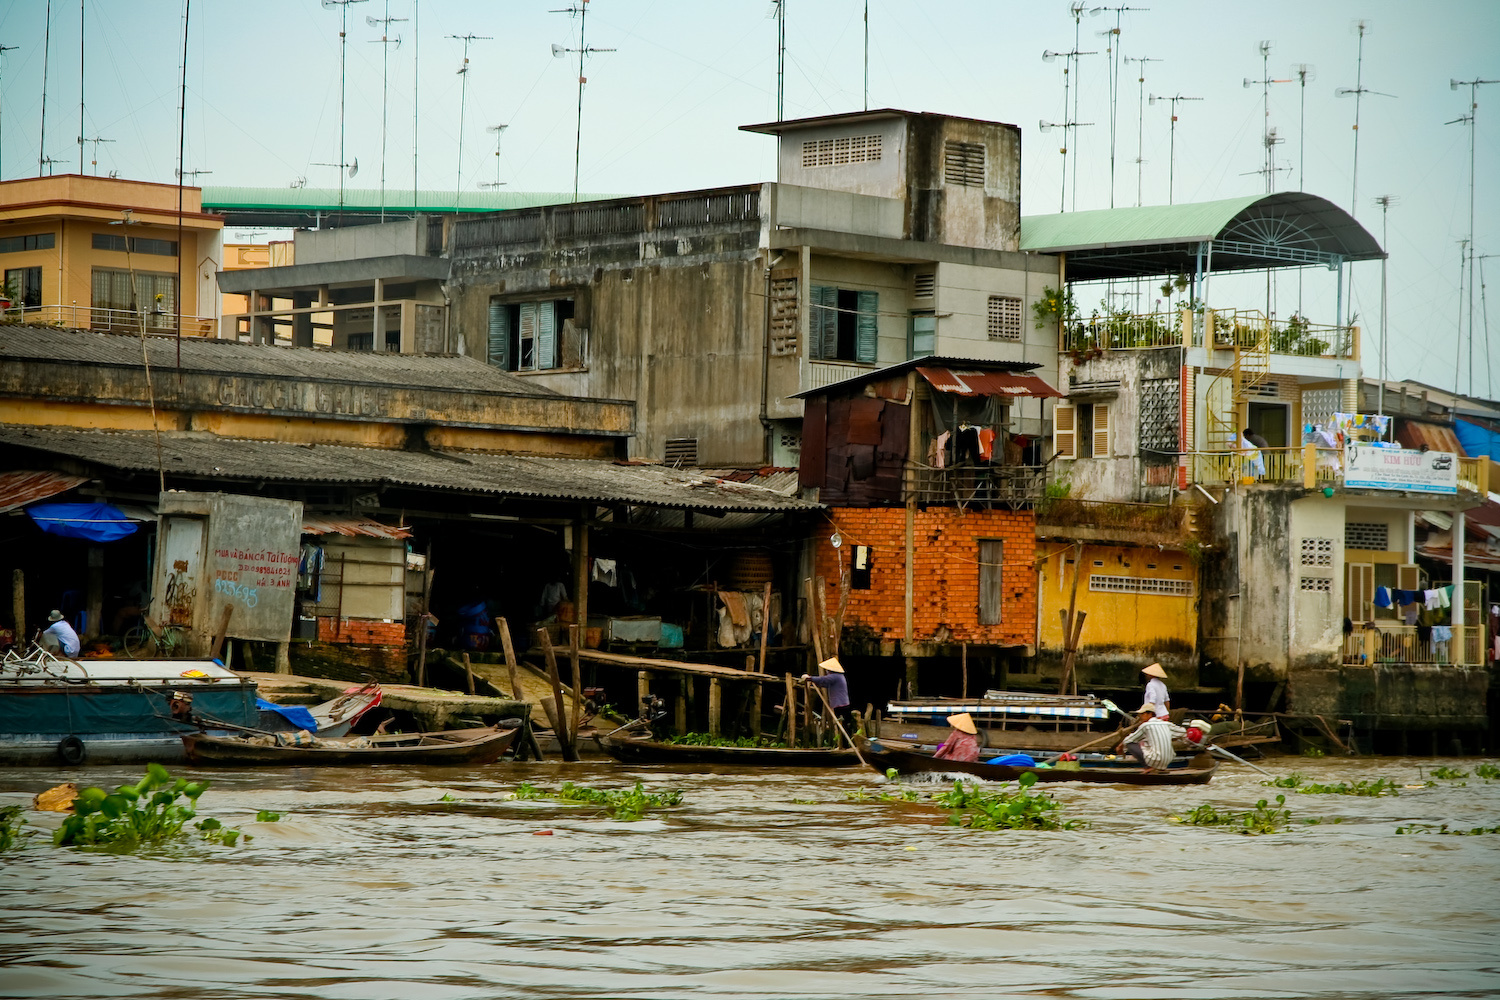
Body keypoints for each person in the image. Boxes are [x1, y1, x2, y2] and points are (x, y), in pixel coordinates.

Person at [1117, 704, 1184, 772]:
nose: (1140, 716)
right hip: (1168, 759)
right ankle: (1159, 767)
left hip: (1155, 759)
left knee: (1130, 744)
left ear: (1150, 714)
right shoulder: (1166, 724)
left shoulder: (1146, 725)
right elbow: (1183, 731)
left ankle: (1148, 767)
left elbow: (1128, 740)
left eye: (1142, 714)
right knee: (1147, 744)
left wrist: (1120, 746)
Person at [800, 657, 852, 727]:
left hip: (840, 705)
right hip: (842, 704)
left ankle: (843, 737)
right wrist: (814, 682)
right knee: (842, 724)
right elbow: (825, 683)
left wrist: (810, 678)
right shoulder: (839, 676)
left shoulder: (835, 676)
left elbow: (823, 679)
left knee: (842, 724)